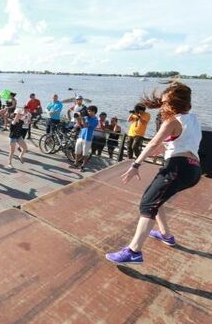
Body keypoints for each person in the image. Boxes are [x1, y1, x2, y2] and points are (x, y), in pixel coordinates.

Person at [106, 82, 202, 265]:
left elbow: (151, 144)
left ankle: (134, 251)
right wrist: (165, 147)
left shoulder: (172, 121)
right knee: (156, 198)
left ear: (174, 103)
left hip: (177, 167)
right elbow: (184, 140)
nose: (163, 106)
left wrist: (135, 165)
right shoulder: (194, 119)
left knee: (147, 204)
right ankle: (166, 235)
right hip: (194, 169)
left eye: (165, 102)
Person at [73, 106, 99, 171]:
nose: (88, 112)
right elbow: (81, 126)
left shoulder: (95, 120)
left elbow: (86, 125)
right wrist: (77, 118)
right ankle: (76, 163)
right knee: (77, 151)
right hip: (81, 136)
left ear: (94, 112)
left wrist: (82, 118)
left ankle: (83, 166)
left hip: (88, 138)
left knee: (85, 154)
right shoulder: (86, 117)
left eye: (90, 111)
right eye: (88, 111)